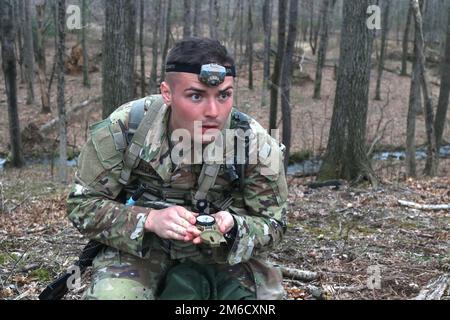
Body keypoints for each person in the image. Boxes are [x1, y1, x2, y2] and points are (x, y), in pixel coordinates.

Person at [67, 37, 288, 300]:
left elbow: (274, 224)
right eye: (196, 95)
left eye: (224, 95)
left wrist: (235, 226)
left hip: (222, 255)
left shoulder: (252, 142)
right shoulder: (127, 128)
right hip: (143, 248)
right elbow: (82, 205)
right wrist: (148, 220)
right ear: (167, 93)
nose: (213, 111)